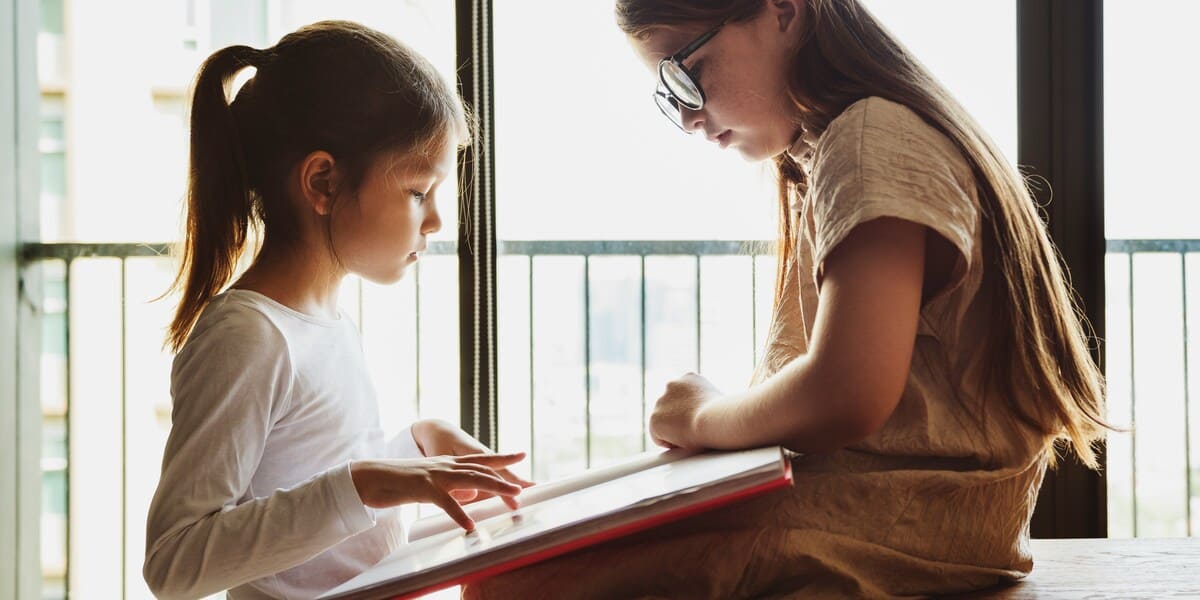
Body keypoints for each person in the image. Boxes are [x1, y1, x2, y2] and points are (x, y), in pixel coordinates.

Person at [464, 0, 1108, 597]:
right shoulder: (851, 140)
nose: (687, 115)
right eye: (668, 94)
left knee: (507, 581)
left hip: (902, 523)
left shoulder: (869, 136)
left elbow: (846, 393)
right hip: (918, 518)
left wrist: (700, 417)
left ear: (785, 10)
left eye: (690, 71)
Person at [142, 21, 531, 600]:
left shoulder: (326, 322)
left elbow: (312, 498)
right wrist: (366, 483)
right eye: (419, 191)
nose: (435, 222)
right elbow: (174, 564)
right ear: (322, 181)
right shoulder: (247, 337)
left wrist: (414, 447)